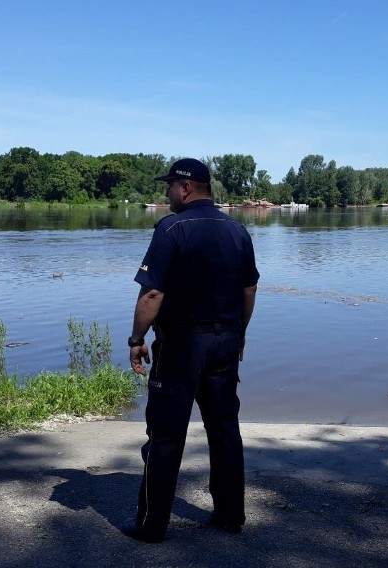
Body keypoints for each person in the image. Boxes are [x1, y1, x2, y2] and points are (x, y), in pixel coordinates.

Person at [122, 158, 260, 543]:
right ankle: (230, 515)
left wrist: (136, 340)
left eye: (169, 187)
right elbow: (249, 289)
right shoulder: (237, 230)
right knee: (224, 429)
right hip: (224, 342)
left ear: (185, 188)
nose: (166, 194)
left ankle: (151, 525)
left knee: (166, 434)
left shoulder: (172, 228)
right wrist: (240, 333)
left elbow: (152, 292)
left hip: (182, 345)